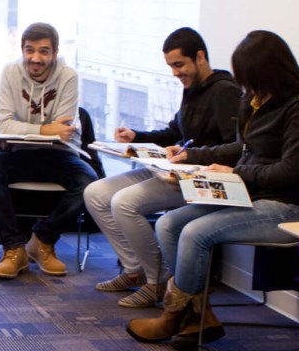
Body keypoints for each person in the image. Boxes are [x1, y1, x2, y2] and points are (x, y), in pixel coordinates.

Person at [127, 30, 299, 350]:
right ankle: (199, 315)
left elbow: (291, 172)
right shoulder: (256, 99)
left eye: (251, 79)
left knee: (195, 233)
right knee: (168, 224)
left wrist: (237, 174)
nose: (246, 88)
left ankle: (174, 314)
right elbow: (242, 148)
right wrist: (196, 160)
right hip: (246, 194)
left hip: (283, 206)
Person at [84, 27, 240, 307]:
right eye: (171, 66)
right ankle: (135, 272)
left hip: (200, 179)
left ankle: (156, 281)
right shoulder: (192, 88)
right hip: (174, 169)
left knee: (123, 203)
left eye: (179, 65)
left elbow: (236, 147)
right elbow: (175, 131)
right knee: (95, 193)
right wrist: (137, 136)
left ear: (200, 57)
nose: (175, 73)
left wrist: (191, 154)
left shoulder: (225, 91)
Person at [0, 22, 100, 280]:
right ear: (22, 50)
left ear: (55, 52)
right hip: (20, 155)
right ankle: (14, 249)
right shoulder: (10, 72)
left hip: (59, 155)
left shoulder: (68, 76)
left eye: (44, 51)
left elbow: (65, 129)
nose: (36, 58)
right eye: (30, 50)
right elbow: (3, 123)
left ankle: (42, 240)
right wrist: (47, 130)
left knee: (89, 182)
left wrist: (33, 130)